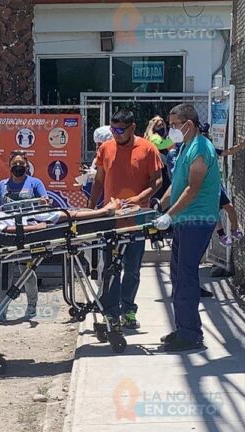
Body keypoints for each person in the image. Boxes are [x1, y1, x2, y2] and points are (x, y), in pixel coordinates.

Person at [154, 103, 222, 352]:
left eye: (173, 125)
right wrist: (159, 205)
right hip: (184, 220)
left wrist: (169, 216)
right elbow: (177, 184)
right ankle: (183, 327)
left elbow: (192, 189)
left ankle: (191, 335)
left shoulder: (201, 149)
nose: (170, 130)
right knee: (177, 274)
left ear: (188, 124)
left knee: (186, 276)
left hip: (197, 219)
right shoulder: (185, 148)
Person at [88, 109, 163, 330]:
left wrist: (138, 200)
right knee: (110, 268)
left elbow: (157, 181)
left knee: (132, 268)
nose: (116, 134)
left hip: (137, 219)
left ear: (132, 128)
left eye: (120, 130)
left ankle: (128, 310)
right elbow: (99, 182)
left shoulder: (148, 149)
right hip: (110, 219)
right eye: (113, 130)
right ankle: (111, 314)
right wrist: (91, 210)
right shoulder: (105, 148)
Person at [0, 151, 49, 321]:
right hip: (8, 231)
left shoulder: (34, 183)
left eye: (21, 164)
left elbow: (44, 201)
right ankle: (2, 306)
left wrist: (42, 203)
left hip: (27, 230)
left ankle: (32, 305)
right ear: (9, 166)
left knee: (26, 269)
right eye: (14, 164)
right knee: (6, 270)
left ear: (26, 165)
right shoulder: (3, 185)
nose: (18, 167)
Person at [0, 198, 123, 233]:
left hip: (29, 215)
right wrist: (36, 227)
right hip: (31, 220)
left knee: (71, 211)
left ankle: (102, 211)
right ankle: (104, 212)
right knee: (69, 215)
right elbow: (9, 229)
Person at [145, 115, 174, 200]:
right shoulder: (153, 137)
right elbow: (162, 145)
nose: (161, 127)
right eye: (158, 125)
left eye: (162, 125)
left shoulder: (160, 136)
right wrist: (174, 139)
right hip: (159, 167)